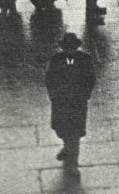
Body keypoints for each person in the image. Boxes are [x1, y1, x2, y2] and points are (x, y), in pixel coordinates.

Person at [45, 32, 97, 177]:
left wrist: (85, 95)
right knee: (61, 130)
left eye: (72, 48)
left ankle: (73, 163)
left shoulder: (84, 59)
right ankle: (67, 146)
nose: (69, 51)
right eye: (67, 48)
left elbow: (90, 79)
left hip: (77, 103)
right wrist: (54, 96)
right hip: (61, 103)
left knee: (74, 134)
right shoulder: (56, 59)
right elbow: (49, 79)